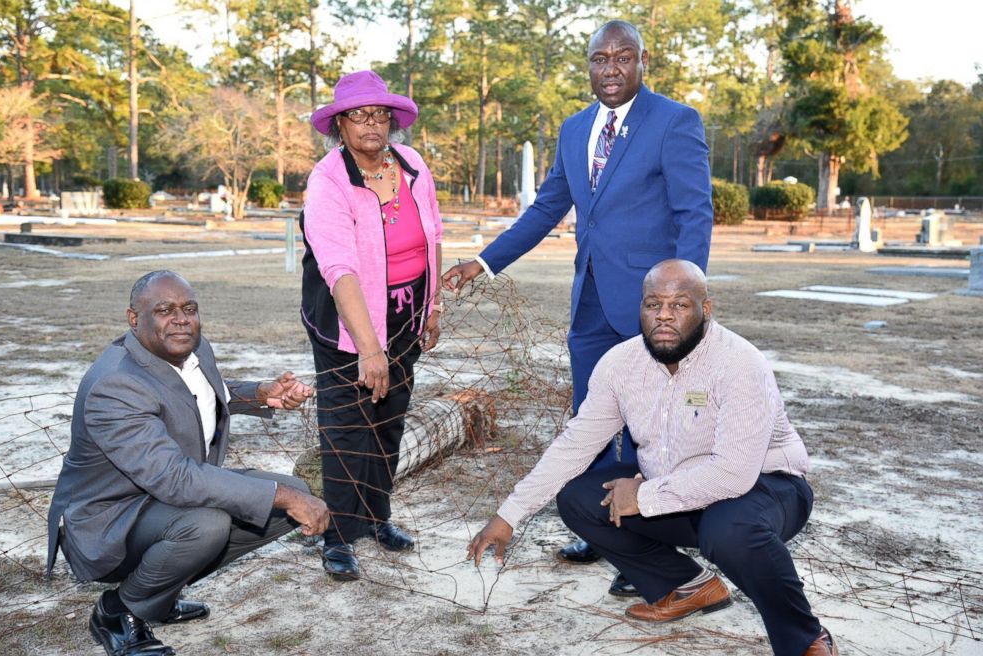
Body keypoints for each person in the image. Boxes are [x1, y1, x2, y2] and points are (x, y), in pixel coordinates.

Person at [442, 20, 713, 595]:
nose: (610, 69)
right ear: (587, 65)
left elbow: (695, 213)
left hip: (651, 306)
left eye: (622, 58)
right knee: (590, 417)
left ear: (643, 62)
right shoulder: (574, 129)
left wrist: (683, 297)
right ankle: (602, 527)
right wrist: (484, 262)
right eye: (599, 59)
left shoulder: (674, 122)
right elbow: (547, 209)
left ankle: (651, 539)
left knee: (655, 425)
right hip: (590, 299)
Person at [467, 260, 839, 656]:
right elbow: (576, 443)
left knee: (728, 528)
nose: (663, 315)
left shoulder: (740, 364)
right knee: (579, 498)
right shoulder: (620, 364)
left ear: (705, 310)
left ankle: (805, 639)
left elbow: (733, 474)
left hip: (767, 488)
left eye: (679, 304)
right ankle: (687, 586)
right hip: (677, 488)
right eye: (652, 304)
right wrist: (510, 513)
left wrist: (643, 497)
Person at [45, 270, 329, 656]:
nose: (181, 319)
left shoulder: (190, 348)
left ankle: (157, 594)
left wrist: (261, 394)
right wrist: (281, 496)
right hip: (108, 521)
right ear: (134, 319)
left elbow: (199, 393)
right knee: (212, 522)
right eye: (164, 310)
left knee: (288, 496)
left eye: (189, 308)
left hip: (160, 499)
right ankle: (119, 610)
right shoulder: (115, 385)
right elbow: (174, 478)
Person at [300, 70, 443, 581]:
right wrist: (369, 348)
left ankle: (377, 517)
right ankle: (339, 535)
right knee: (347, 425)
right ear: (338, 125)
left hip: (404, 314)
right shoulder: (328, 181)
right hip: (348, 322)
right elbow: (339, 270)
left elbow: (433, 236)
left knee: (389, 417)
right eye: (358, 116)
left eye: (379, 115)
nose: (371, 125)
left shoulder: (412, 165)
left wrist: (433, 307)